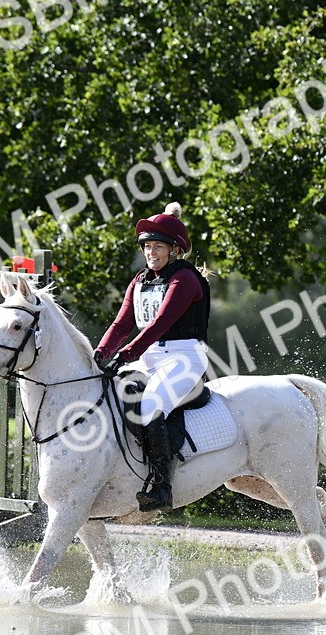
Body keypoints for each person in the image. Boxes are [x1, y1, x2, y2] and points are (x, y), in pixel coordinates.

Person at [93, 202, 211, 512]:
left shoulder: (184, 279)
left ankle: (162, 486)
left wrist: (127, 353)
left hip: (185, 359)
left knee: (152, 404)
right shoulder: (141, 280)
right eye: (147, 247)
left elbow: (161, 323)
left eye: (158, 247)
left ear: (174, 250)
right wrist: (101, 352)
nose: (151, 252)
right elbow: (122, 323)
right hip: (150, 358)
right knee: (110, 395)